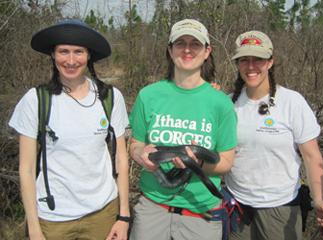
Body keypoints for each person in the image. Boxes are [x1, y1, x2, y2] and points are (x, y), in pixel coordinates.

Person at [9, 19, 130, 240]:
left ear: (89, 56)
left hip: (103, 213)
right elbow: (25, 169)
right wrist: (34, 229)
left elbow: (121, 158)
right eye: (63, 51)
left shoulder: (110, 97)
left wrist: (123, 217)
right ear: (53, 55)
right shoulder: (36, 100)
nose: (71, 60)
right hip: (53, 218)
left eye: (79, 52)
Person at [129, 19, 237, 240]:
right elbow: (135, 143)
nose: (187, 49)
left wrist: (198, 164)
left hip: (200, 214)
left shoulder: (221, 103)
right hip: (152, 208)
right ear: (170, 50)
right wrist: (141, 155)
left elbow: (226, 162)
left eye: (195, 44)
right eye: (180, 43)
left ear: (207, 52)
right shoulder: (148, 95)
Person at [224, 30, 323, 240]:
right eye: (244, 60)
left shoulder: (292, 102)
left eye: (258, 59)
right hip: (236, 207)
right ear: (237, 64)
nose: (251, 67)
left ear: (270, 62)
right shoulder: (227, 103)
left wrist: (318, 200)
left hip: (280, 209)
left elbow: (312, 156)